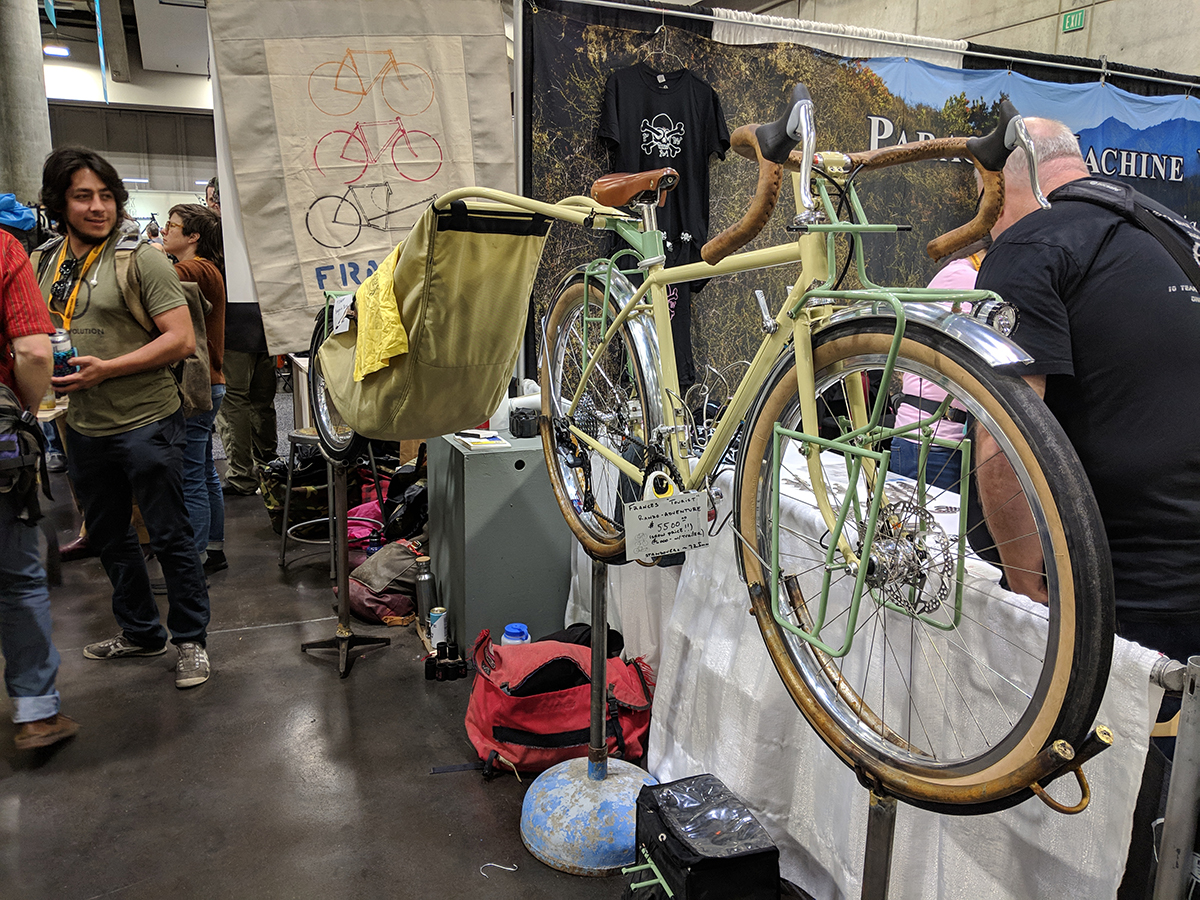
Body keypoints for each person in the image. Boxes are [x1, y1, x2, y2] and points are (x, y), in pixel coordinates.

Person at [974, 118, 1200, 665]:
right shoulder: (1174, 233)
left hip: (1115, 595)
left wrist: (1025, 592)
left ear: (1008, 183)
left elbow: (1004, 440)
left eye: (987, 204)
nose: (987, 224)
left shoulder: (1031, 242)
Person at [36, 147, 212, 689]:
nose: (97, 207)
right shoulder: (46, 261)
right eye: (83, 196)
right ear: (58, 203)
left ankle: (190, 642)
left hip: (147, 420)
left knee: (169, 534)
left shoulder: (142, 258)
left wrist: (105, 370)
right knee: (109, 537)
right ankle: (140, 632)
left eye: (106, 196)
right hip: (81, 423)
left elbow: (180, 339)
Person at [0, 228, 79, 749]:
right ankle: (35, 714)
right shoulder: (5, 250)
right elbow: (32, 350)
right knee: (17, 579)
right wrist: (31, 415)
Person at [889, 238, 987, 490]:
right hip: (928, 439)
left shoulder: (959, 273)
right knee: (922, 526)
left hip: (937, 437)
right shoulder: (963, 276)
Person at [162, 203, 228, 574]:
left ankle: (197, 557)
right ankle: (213, 549)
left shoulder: (195, 269)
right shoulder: (205, 269)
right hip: (209, 383)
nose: (165, 231)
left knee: (192, 474)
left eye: (172, 226)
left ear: (193, 237)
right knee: (203, 470)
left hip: (198, 385)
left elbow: (155, 277)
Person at [205, 175, 278, 496]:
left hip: (232, 329)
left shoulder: (217, 234)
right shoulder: (267, 228)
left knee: (234, 403)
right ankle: (270, 466)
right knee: (262, 401)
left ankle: (242, 476)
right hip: (266, 326)